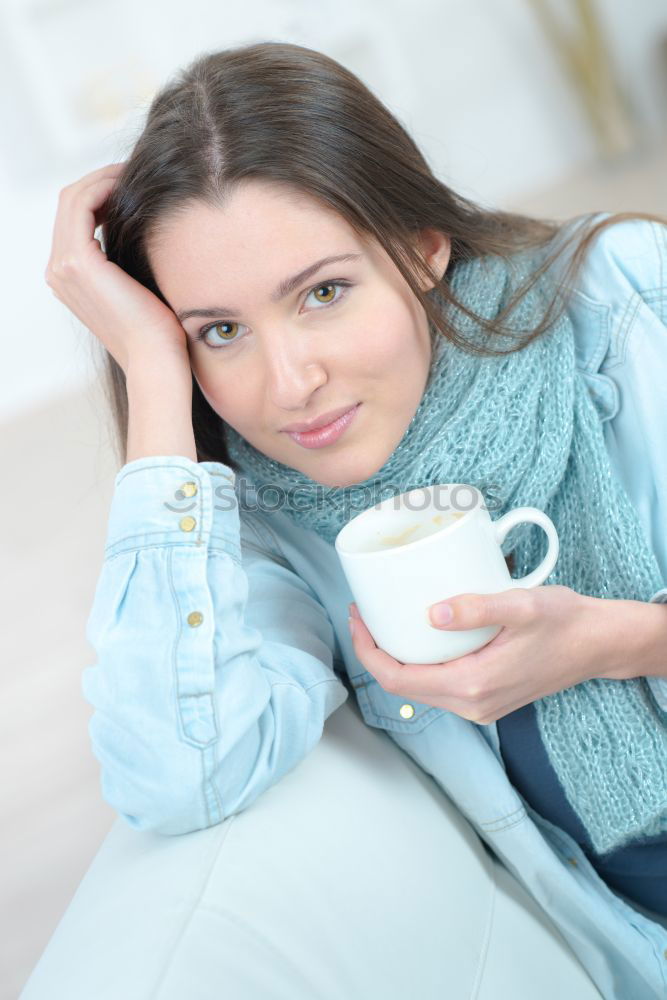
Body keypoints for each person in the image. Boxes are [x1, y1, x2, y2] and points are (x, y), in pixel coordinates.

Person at [45, 40, 667, 999]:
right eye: (219, 331)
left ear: (422, 251)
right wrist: (153, 378)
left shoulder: (622, 303)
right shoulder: (268, 523)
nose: (291, 385)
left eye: (322, 293)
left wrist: (623, 642)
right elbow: (182, 773)